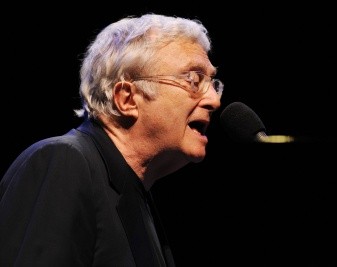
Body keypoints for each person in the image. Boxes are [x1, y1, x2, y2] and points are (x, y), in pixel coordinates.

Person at [0, 13, 223, 266]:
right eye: (192, 80)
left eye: (213, 83)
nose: (214, 100)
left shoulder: (138, 196)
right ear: (127, 98)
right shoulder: (64, 161)